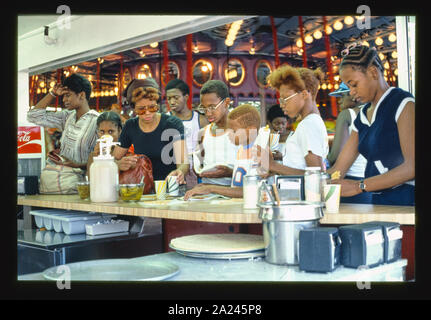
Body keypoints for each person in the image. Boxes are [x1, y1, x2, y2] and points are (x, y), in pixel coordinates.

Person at [327, 44, 415, 206]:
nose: (351, 93)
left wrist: (358, 186)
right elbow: (338, 170)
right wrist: (310, 181)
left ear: (373, 72)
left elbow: (412, 167)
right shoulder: (361, 116)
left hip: (407, 201)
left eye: (354, 84)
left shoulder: (403, 103)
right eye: (348, 87)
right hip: (378, 202)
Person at [27, 73, 99, 194]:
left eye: (68, 95)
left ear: (81, 95)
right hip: (60, 183)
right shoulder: (67, 117)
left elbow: (107, 159)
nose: (64, 99)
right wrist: (52, 94)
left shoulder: (98, 121)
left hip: (84, 187)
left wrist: (77, 165)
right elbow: (33, 116)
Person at [112, 78, 189, 183]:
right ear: (133, 108)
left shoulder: (172, 124)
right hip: (142, 189)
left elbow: (183, 161)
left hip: (170, 187)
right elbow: (114, 158)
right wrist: (118, 164)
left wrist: (180, 171)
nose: (147, 113)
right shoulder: (131, 126)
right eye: (141, 109)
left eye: (152, 107)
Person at [258, 65, 329, 175]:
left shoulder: (309, 124)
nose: (282, 105)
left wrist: (272, 165)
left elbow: (316, 175)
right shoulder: (310, 122)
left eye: (285, 98)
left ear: (304, 94)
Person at [184, 104, 261, 200]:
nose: (229, 134)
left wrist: (211, 188)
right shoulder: (242, 151)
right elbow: (237, 188)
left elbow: (250, 191)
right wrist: (206, 186)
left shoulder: (259, 153)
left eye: (233, 131)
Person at [327, 82, 370, 204]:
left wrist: (325, 159)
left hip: (349, 181)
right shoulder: (373, 113)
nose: (339, 102)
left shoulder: (347, 115)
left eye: (342, 96)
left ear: (352, 94)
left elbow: (335, 156)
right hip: (372, 182)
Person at [192, 80, 239, 186]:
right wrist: (200, 171)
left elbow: (255, 170)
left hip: (234, 192)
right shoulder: (203, 133)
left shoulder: (242, 131)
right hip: (208, 192)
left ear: (226, 102)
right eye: (204, 108)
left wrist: (230, 173)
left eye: (212, 107)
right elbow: (198, 166)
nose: (208, 113)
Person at [165, 79, 209, 189]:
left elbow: (207, 147)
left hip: (196, 171)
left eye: (176, 97)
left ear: (186, 97)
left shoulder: (200, 120)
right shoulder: (165, 120)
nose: (172, 102)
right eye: (169, 98)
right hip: (172, 169)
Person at [87, 111, 123, 175]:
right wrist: (97, 157)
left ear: (119, 131)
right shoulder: (93, 155)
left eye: (110, 131)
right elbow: (91, 181)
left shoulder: (126, 153)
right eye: (102, 132)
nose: (106, 136)